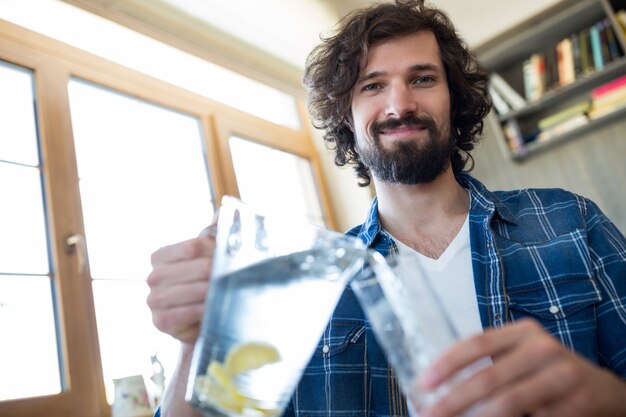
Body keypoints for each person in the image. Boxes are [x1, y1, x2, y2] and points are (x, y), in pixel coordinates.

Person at [146, 1, 626, 416]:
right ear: (347, 118)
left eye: (422, 78)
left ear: (453, 100)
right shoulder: (302, 286)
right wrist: (196, 340)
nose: (400, 104)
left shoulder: (572, 223)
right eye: (373, 86)